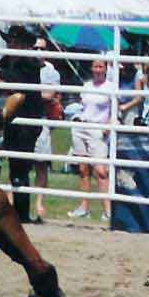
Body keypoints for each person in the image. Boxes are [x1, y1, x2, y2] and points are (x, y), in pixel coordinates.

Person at [0, 26, 44, 224]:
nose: (11, 44)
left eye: (15, 41)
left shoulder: (30, 63)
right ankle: (19, 213)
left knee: (21, 166)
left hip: (28, 120)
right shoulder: (8, 60)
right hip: (13, 119)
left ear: (24, 44)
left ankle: (22, 213)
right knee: (15, 164)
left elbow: (20, 80)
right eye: (9, 41)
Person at [67, 57, 114, 221]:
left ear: (106, 69)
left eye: (101, 66)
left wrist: (108, 125)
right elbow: (83, 105)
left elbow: (114, 110)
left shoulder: (110, 87)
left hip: (98, 129)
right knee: (82, 169)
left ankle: (108, 210)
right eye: (95, 66)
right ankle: (84, 207)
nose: (98, 69)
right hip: (82, 126)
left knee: (100, 171)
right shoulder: (86, 86)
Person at [32, 36, 63, 222]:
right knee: (17, 161)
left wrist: (26, 93)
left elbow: (49, 95)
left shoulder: (51, 71)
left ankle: (39, 203)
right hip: (23, 117)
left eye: (42, 48)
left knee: (41, 163)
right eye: (35, 48)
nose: (38, 52)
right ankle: (12, 200)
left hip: (41, 119)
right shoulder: (21, 64)